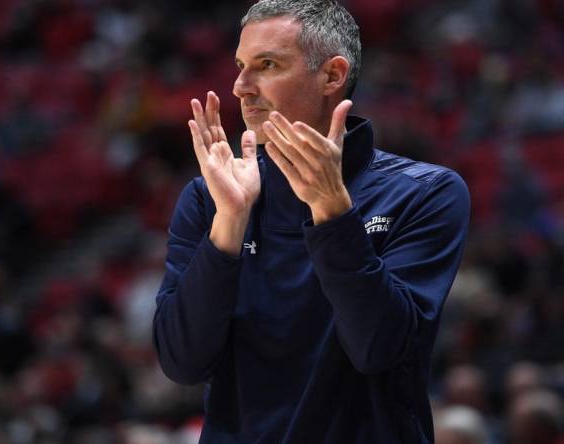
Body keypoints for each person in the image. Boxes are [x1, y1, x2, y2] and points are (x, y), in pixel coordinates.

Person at [153, 1, 470, 442]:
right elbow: (182, 363)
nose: (241, 87)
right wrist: (229, 222)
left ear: (332, 75)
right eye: (241, 66)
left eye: (267, 65)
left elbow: (378, 349)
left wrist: (332, 211)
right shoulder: (211, 197)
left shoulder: (425, 192)